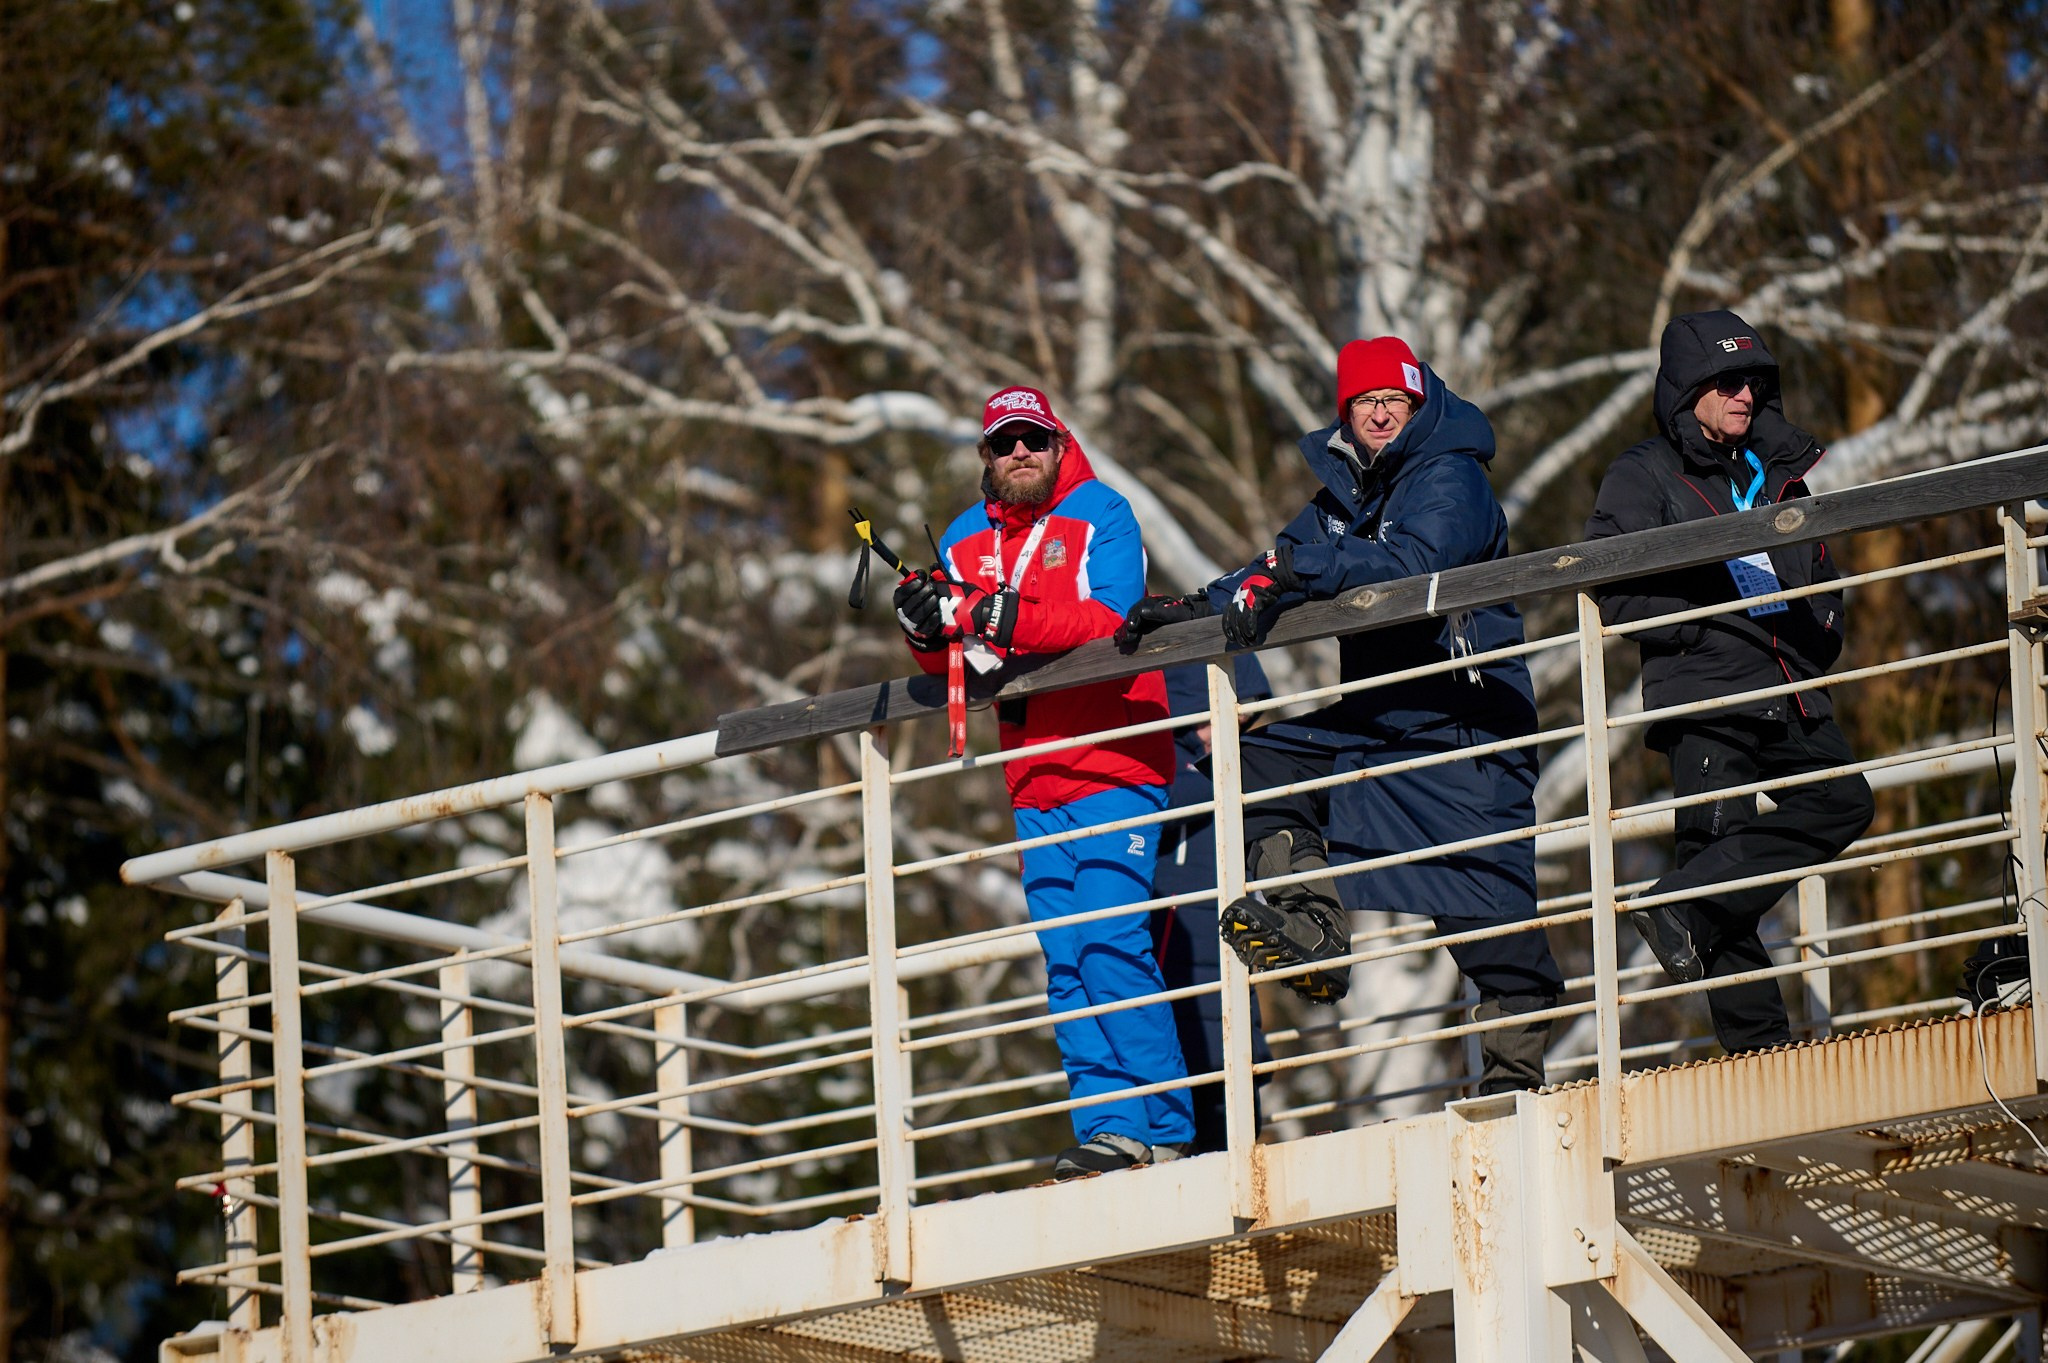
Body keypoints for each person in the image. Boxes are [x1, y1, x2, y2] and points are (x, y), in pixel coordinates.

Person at [1118, 338, 1564, 1095]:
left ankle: (1515, 1077)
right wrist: (1194, 609)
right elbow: (1278, 561)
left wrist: (1302, 572)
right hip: (1383, 718)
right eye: (1365, 402)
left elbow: (1413, 563)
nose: (1382, 411)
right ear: (1347, 416)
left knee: (1482, 897)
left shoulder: (1448, 474)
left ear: (1420, 404)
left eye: (1395, 399)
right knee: (1258, 759)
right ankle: (1311, 926)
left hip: (1466, 716)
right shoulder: (1348, 495)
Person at [892, 385, 1195, 1176]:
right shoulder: (961, 538)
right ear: (985, 459)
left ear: (1059, 443)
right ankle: (1109, 1127)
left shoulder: (1104, 513)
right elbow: (959, 655)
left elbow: (1111, 618)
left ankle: (1163, 1130)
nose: (1020, 453)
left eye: (1033, 439)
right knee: (1065, 956)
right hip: (1031, 774)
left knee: (1112, 939)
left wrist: (1002, 613)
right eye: (1004, 443)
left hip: (1116, 753)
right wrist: (924, 626)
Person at [1585, 309, 1874, 1054]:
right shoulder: (1642, 473)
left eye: (1756, 380)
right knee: (1716, 858)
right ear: (1687, 389)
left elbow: (1819, 571)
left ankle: (1686, 904)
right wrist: (1703, 624)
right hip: (1708, 692)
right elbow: (1614, 589)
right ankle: (1761, 1050)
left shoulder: (1778, 470)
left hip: (1792, 685)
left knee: (1842, 802)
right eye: (1728, 380)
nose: (1747, 394)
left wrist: (1824, 627)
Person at [1149, 659, 1274, 1152]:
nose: (1222, 731)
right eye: (1209, 717)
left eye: (1238, 719)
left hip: (1227, 981)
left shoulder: (1243, 769)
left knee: (1233, 1122)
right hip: (1174, 977)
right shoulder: (1170, 772)